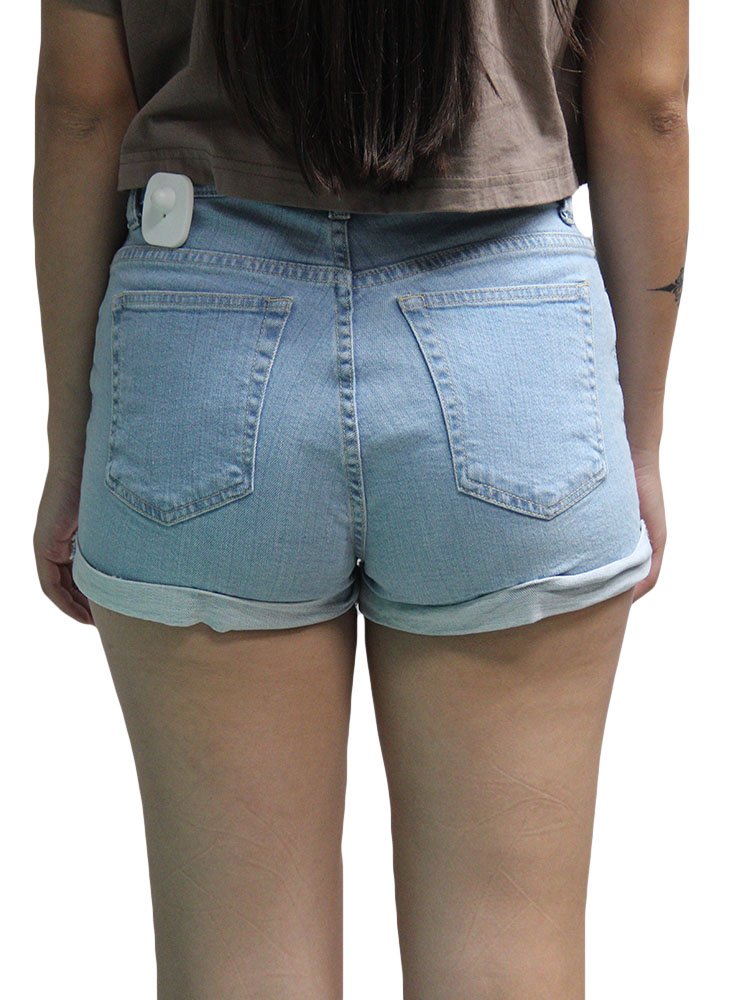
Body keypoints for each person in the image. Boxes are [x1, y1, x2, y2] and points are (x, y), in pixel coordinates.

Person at [32, 0, 687, 996]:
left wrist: (72, 439)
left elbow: (83, 109)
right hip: (508, 330)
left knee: (239, 965)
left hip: (200, 330)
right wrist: (638, 436)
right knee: (507, 954)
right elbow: (648, 100)